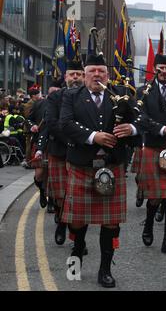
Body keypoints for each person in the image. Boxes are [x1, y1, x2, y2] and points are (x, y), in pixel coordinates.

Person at [59, 54, 145, 288]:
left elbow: (142, 120)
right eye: (92, 71)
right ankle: (76, 255)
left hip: (112, 166)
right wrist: (92, 136)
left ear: (108, 74)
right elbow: (64, 124)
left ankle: (105, 270)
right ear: (85, 74)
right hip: (82, 165)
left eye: (101, 71)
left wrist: (132, 128)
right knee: (77, 221)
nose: (97, 75)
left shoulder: (120, 94)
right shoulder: (71, 95)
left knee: (111, 223)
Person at [137, 54, 166, 255]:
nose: (164, 71)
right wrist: (162, 129)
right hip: (154, 145)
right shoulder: (144, 91)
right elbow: (141, 117)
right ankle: (148, 224)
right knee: (156, 197)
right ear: (154, 68)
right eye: (161, 67)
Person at [45, 61, 85, 246]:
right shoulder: (55, 98)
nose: (75, 77)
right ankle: (62, 223)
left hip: (82, 154)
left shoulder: (89, 98)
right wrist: (72, 140)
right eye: (72, 74)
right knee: (61, 197)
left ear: (84, 76)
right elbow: (52, 123)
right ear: (66, 77)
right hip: (60, 151)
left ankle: (78, 240)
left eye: (79, 74)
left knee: (78, 198)